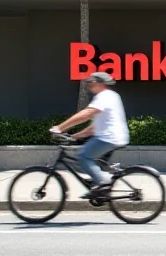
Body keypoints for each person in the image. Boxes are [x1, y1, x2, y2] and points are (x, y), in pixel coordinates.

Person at [51, 71, 129, 199]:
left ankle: (104, 183)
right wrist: (76, 135)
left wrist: (60, 127)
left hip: (108, 138)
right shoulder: (112, 96)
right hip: (114, 136)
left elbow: (86, 114)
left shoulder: (104, 96)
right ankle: (98, 184)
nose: (90, 84)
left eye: (92, 82)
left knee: (83, 156)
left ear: (101, 83)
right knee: (94, 162)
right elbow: (94, 127)